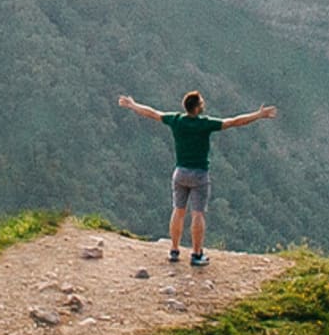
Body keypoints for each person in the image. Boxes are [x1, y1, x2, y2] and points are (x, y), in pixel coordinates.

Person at [118, 90, 277, 267]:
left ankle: (174, 250)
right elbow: (234, 122)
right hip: (199, 174)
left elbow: (153, 113)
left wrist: (132, 105)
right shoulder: (205, 124)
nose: (204, 104)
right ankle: (196, 254)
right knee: (197, 213)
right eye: (201, 102)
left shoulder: (176, 120)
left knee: (178, 211)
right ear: (197, 107)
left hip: (180, 172)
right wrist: (259, 114)